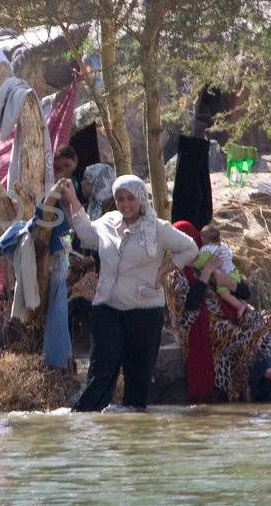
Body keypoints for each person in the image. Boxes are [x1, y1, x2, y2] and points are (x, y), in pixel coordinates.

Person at [57, 174, 198, 412]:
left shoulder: (157, 227)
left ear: (141, 198)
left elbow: (190, 248)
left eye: (130, 198)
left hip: (144, 309)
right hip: (106, 307)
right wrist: (70, 197)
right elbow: (84, 231)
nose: (125, 204)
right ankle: (85, 421)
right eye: (120, 199)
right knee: (102, 370)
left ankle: (133, 433)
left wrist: (163, 271)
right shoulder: (107, 222)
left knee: (138, 377)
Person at [166, 222, 271, 403]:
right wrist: (206, 273)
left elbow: (245, 292)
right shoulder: (175, 273)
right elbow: (189, 306)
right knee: (237, 334)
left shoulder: (209, 256)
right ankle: (265, 373)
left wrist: (229, 282)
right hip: (203, 324)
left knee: (265, 320)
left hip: (229, 311)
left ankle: (267, 369)